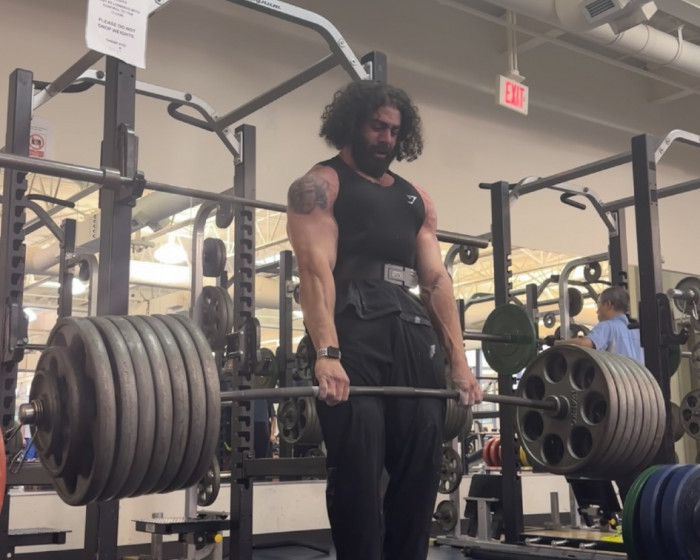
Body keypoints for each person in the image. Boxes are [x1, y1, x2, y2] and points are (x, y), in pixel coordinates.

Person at [285, 80, 483, 560]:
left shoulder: (417, 199)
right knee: (358, 464)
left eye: (395, 131)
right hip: (354, 324)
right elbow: (315, 271)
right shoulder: (321, 185)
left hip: (411, 328)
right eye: (377, 127)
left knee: (422, 464)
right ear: (352, 124)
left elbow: (435, 282)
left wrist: (459, 363)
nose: (386, 139)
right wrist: (327, 352)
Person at [555, 285, 644, 363]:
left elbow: (585, 344)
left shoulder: (607, 326)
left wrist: (557, 343)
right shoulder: (637, 331)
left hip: (616, 377)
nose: (597, 311)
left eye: (598, 305)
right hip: (641, 377)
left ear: (608, 304)